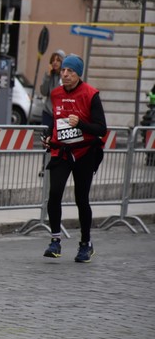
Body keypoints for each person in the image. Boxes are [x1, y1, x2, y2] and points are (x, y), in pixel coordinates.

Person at [41, 54, 107, 263]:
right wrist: (48, 138)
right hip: (61, 152)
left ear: (79, 74)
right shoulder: (56, 94)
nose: (66, 74)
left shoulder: (91, 94)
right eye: (63, 71)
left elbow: (101, 128)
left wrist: (80, 124)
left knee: (81, 198)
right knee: (54, 193)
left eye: (70, 71)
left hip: (85, 152)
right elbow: (55, 122)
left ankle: (86, 244)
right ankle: (55, 241)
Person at [39, 49, 66, 127]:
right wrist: (48, 76)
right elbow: (44, 92)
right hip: (47, 111)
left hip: (61, 113)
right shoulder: (49, 75)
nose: (55, 62)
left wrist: (62, 76)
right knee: (46, 136)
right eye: (53, 60)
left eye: (58, 60)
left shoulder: (65, 76)